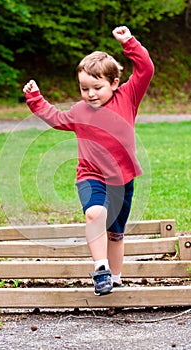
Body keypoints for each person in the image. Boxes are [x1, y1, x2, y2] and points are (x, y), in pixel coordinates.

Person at [23, 26, 154, 296]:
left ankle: (115, 277)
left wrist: (128, 42)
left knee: (116, 234)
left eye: (97, 87)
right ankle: (101, 269)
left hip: (122, 179)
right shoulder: (79, 111)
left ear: (114, 83)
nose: (91, 94)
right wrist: (35, 98)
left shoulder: (127, 98)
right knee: (95, 213)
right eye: (84, 88)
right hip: (90, 175)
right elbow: (56, 118)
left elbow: (146, 68)